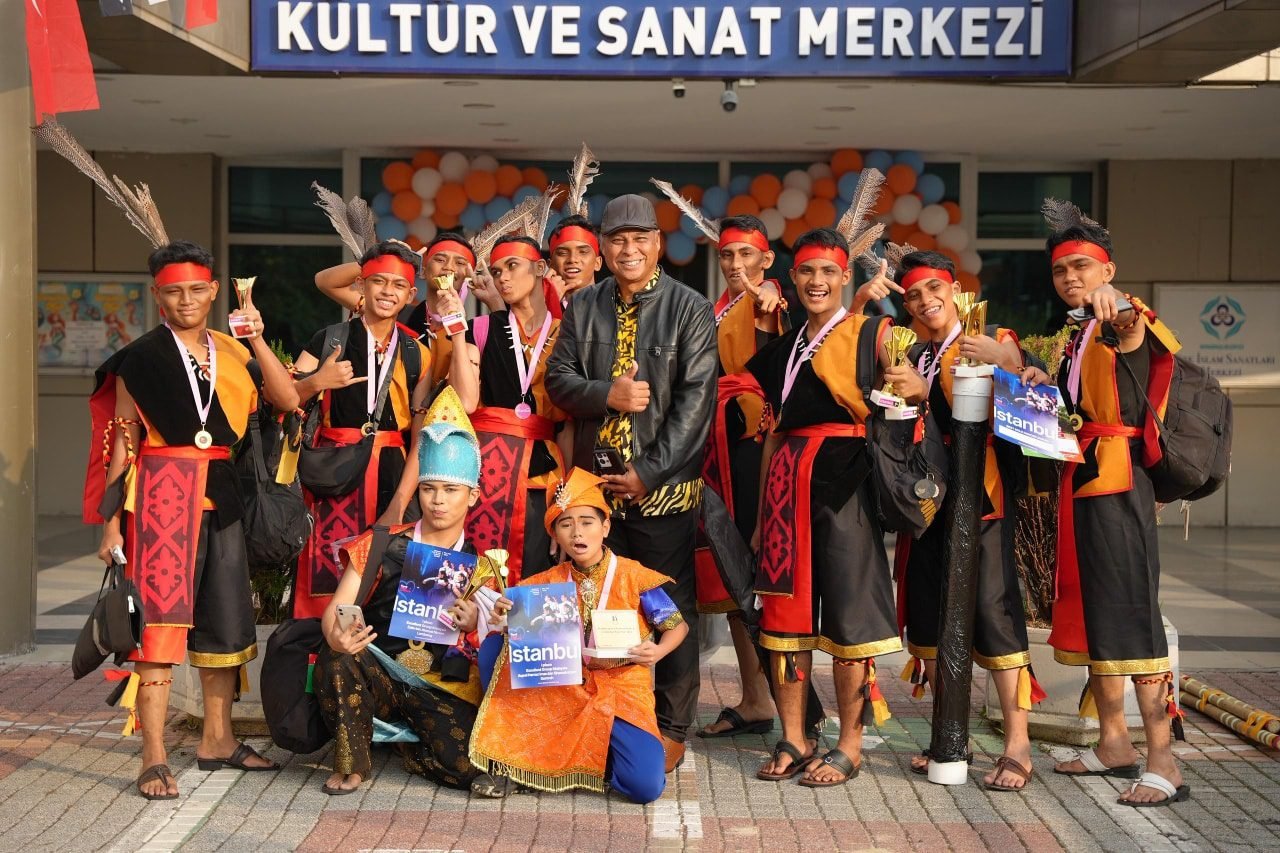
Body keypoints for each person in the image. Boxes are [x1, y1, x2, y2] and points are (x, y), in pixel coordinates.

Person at [89, 240, 298, 799]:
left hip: (222, 494)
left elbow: (286, 399)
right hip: (160, 498)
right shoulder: (139, 359)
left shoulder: (233, 350)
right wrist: (110, 523)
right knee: (158, 627)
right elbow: (124, 442)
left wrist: (256, 337)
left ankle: (218, 740)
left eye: (197, 289)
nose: (186, 300)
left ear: (213, 290)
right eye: (173, 291)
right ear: (157, 295)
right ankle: (153, 755)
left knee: (225, 622)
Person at [544, 194, 718, 773]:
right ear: (604, 247)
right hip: (595, 493)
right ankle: (610, 713)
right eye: (618, 239)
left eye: (640, 238)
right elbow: (558, 381)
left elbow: (696, 402)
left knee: (665, 604)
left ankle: (671, 725)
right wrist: (607, 394)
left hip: (662, 490)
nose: (629, 249)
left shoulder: (689, 308)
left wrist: (649, 472)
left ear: (658, 244)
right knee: (598, 603)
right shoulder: (583, 304)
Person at [1024, 200, 1188, 807]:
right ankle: (1114, 743)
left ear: (1108, 270)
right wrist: (1043, 385)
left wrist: (1116, 306)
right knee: (1098, 615)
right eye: (1060, 269)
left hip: (1120, 486)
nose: (1070, 277)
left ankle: (1164, 760)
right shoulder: (1077, 334)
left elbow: (1130, 326)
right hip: (1085, 479)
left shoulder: (1121, 316)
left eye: (1082, 267)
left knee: (1132, 616)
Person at [874, 249, 1045, 791]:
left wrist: (1007, 362)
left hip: (982, 499)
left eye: (934, 289)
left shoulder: (991, 338)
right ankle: (950, 735)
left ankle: (1018, 745)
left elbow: (1033, 409)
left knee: (994, 615)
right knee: (932, 615)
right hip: (927, 502)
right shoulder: (913, 352)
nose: (926, 301)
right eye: (914, 295)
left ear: (956, 289)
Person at [745, 227, 901, 788]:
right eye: (807, 271)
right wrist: (761, 517)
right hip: (785, 486)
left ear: (845, 277)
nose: (817, 281)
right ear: (792, 277)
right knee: (783, 617)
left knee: (848, 618)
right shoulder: (782, 348)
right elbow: (771, 431)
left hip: (845, 483)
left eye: (828, 271)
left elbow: (909, 383)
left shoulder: (873, 333)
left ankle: (850, 746)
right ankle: (795, 737)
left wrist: (910, 385)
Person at [313, 386, 506, 796]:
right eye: (429, 488)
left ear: (472, 496)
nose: (438, 501)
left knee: (469, 768)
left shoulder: (483, 566)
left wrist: (474, 624)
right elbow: (335, 611)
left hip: (438, 686)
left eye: (450, 490)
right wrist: (337, 636)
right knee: (338, 656)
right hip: (378, 673)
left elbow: (497, 645)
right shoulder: (380, 544)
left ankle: (414, 751)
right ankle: (353, 764)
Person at [687, 214, 827, 743]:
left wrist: (770, 299)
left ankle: (800, 711)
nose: (736, 264)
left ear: (767, 260)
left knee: (754, 574)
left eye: (746, 254)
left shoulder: (771, 302)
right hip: (716, 446)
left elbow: (775, 328)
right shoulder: (716, 308)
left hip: (753, 446)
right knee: (730, 576)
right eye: (727, 254)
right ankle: (754, 699)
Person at [468, 468, 689, 803]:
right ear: (555, 534)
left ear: (606, 527)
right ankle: (510, 761)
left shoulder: (633, 576)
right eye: (566, 524)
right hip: (564, 685)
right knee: (497, 646)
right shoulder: (545, 583)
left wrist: (657, 652)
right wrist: (504, 617)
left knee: (644, 787)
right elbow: (513, 630)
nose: (577, 533)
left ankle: (598, 758)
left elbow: (677, 626)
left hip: (621, 687)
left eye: (586, 522)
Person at [290, 241, 435, 618]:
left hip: (392, 472)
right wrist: (317, 382)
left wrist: (401, 502)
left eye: (398, 285)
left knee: (386, 579)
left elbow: (420, 436)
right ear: (361, 285)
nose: (388, 291)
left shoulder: (417, 352)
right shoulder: (330, 339)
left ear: (410, 295)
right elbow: (283, 400)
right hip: (334, 471)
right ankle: (319, 649)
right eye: (378, 281)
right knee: (327, 574)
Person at [450, 234, 571, 583]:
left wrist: (568, 495)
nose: (502, 277)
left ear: (541, 268)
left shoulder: (567, 334)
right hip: (486, 473)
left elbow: (569, 424)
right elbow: (465, 401)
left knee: (536, 580)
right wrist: (456, 329)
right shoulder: (480, 328)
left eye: (512, 266)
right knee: (477, 579)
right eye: (497, 270)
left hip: (543, 476)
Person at [315, 232, 476, 388]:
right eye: (440, 259)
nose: (449, 267)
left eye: (460, 263)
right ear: (423, 270)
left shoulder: (474, 331)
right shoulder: (392, 312)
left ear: (469, 275)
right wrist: (383, 257)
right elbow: (326, 283)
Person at [545, 214, 603, 307]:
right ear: (550, 265)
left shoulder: (613, 305)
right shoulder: (535, 309)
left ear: (597, 263)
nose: (572, 259)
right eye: (563, 253)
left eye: (583, 252)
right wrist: (549, 305)